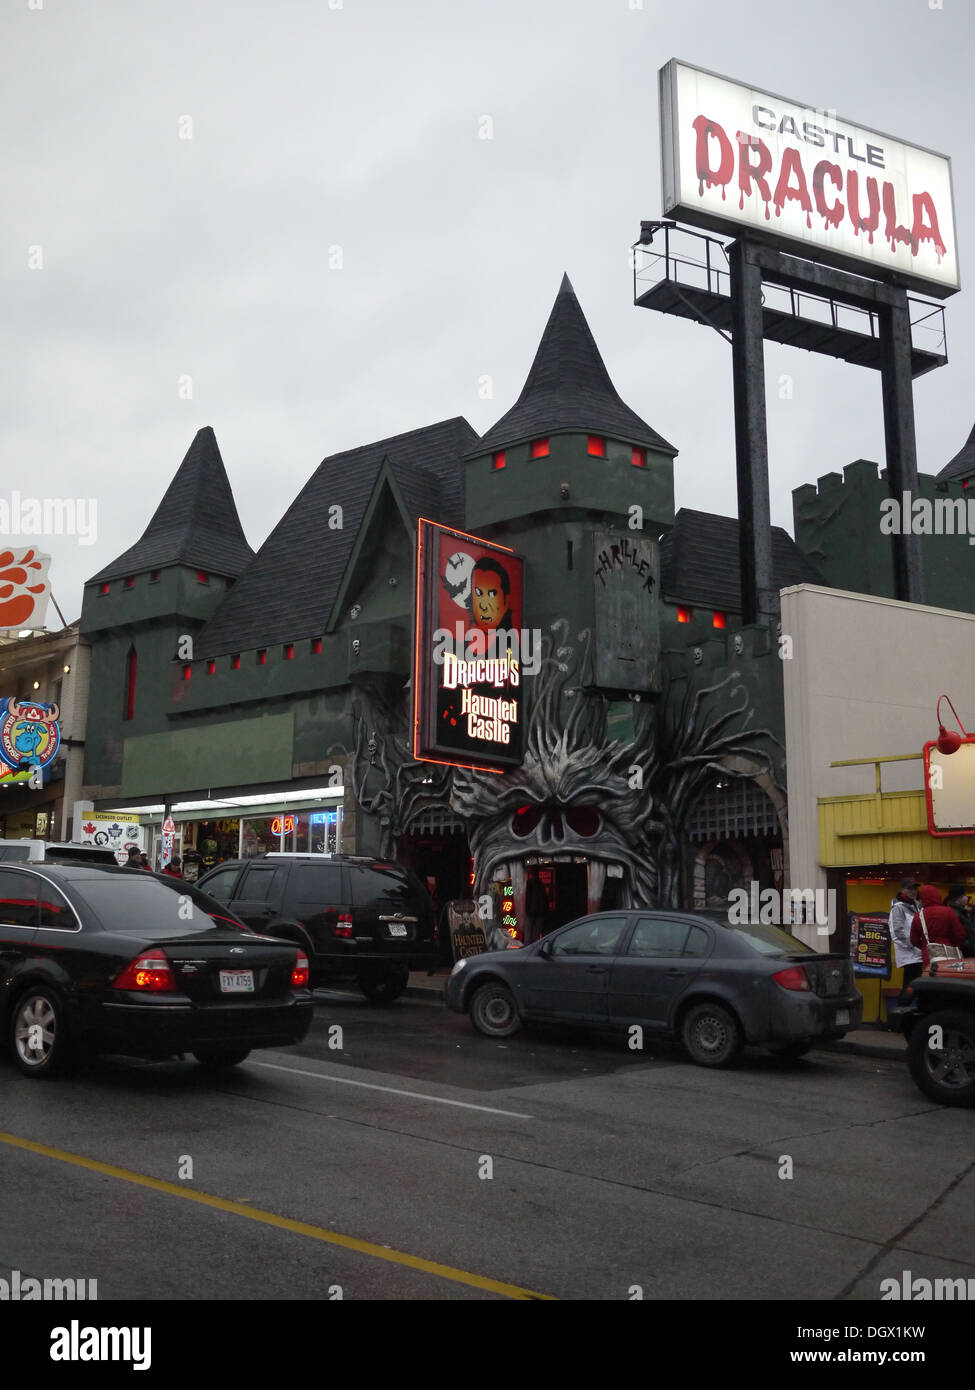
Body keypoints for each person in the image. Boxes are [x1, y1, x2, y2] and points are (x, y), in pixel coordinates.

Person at [911, 884, 967, 968]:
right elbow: (960, 934)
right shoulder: (948, 911)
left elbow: (914, 940)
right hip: (949, 955)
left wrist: (925, 946)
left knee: (930, 978)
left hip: (929, 957)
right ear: (937, 896)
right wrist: (954, 945)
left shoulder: (918, 916)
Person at [888, 877, 922, 1007]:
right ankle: (900, 1015)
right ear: (902, 889)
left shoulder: (917, 905)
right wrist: (914, 946)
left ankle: (904, 1014)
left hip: (918, 955)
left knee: (914, 987)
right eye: (909, 888)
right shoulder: (898, 908)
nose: (913, 891)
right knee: (909, 987)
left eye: (915, 888)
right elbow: (897, 933)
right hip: (910, 956)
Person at [944, 884, 975, 957]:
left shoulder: (960, 911)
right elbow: (962, 936)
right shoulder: (955, 913)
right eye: (965, 895)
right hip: (965, 952)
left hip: (967, 950)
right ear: (958, 898)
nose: (967, 897)